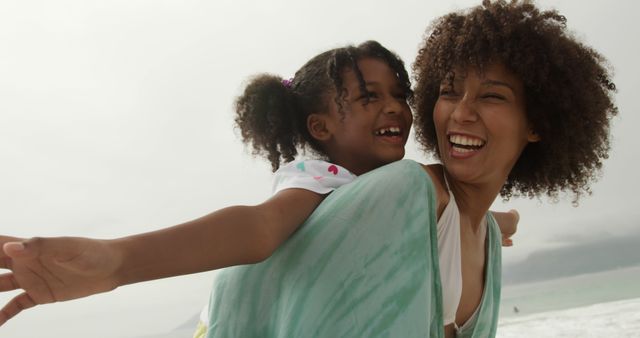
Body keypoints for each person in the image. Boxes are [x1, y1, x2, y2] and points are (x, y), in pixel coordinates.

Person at [0, 41, 519, 329]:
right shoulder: (320, 182)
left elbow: (436, 221)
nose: (392, 109)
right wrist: (117, 262)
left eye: (398, 95)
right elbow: (257, 229)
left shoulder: (393, 193)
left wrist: (502, 220)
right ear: (321, 129)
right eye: (367, 98)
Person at [199, 1, 617, 337]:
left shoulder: (483, 234)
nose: (462, 113)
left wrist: (504, 222)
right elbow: (259, 229)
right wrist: (128, 258)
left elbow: (473, 219)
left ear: (539, 123)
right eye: (449, 92)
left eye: (492, 96)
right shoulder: (404, 188)